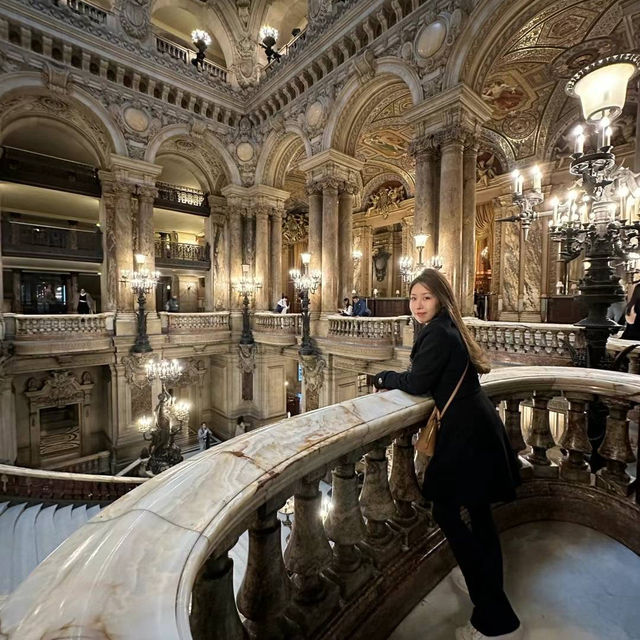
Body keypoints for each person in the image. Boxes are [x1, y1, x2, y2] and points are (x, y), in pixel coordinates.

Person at [373, 269, 521, 640]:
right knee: (481, 516)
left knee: (445, 509)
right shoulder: (448, 327)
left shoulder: (436, 333)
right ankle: (490, 589)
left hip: (466, 432)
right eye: (413, 298)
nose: (418, 305)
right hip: (478, 423)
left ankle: (492, 614)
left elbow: (417, 382)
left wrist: (384, 378)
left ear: (440, 299)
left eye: (426, 297)